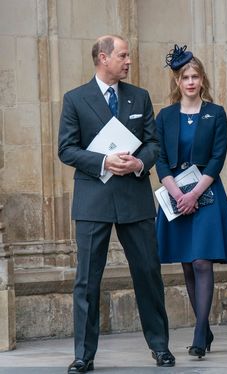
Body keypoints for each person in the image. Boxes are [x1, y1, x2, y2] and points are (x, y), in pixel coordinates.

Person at [58, 35, 175, 373]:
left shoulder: (140, 96)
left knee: (149, 275)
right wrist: (104, 161)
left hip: (134, 198)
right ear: (103, 57)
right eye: (123, 56)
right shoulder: (75, 99)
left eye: (129, 56)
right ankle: (83, 354)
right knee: (86, 280)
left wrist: (140, 164)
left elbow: (154, 143)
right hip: (93, 200)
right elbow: (66, 149)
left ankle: (160, 346)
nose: (128, 61)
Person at [155, 45, 227, 359]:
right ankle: (204, 326)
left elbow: (218, 157)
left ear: (202, 80)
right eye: (184, 77)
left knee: (203, 261)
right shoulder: (164, 116)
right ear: (177, 82)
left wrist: (194, 193)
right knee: (187, 264)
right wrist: (178, 194)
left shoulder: (215, 113)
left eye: (195, 76)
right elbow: (160, 160)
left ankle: (199, 332)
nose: (190, 81)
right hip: (175, 196)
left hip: (206, 194)